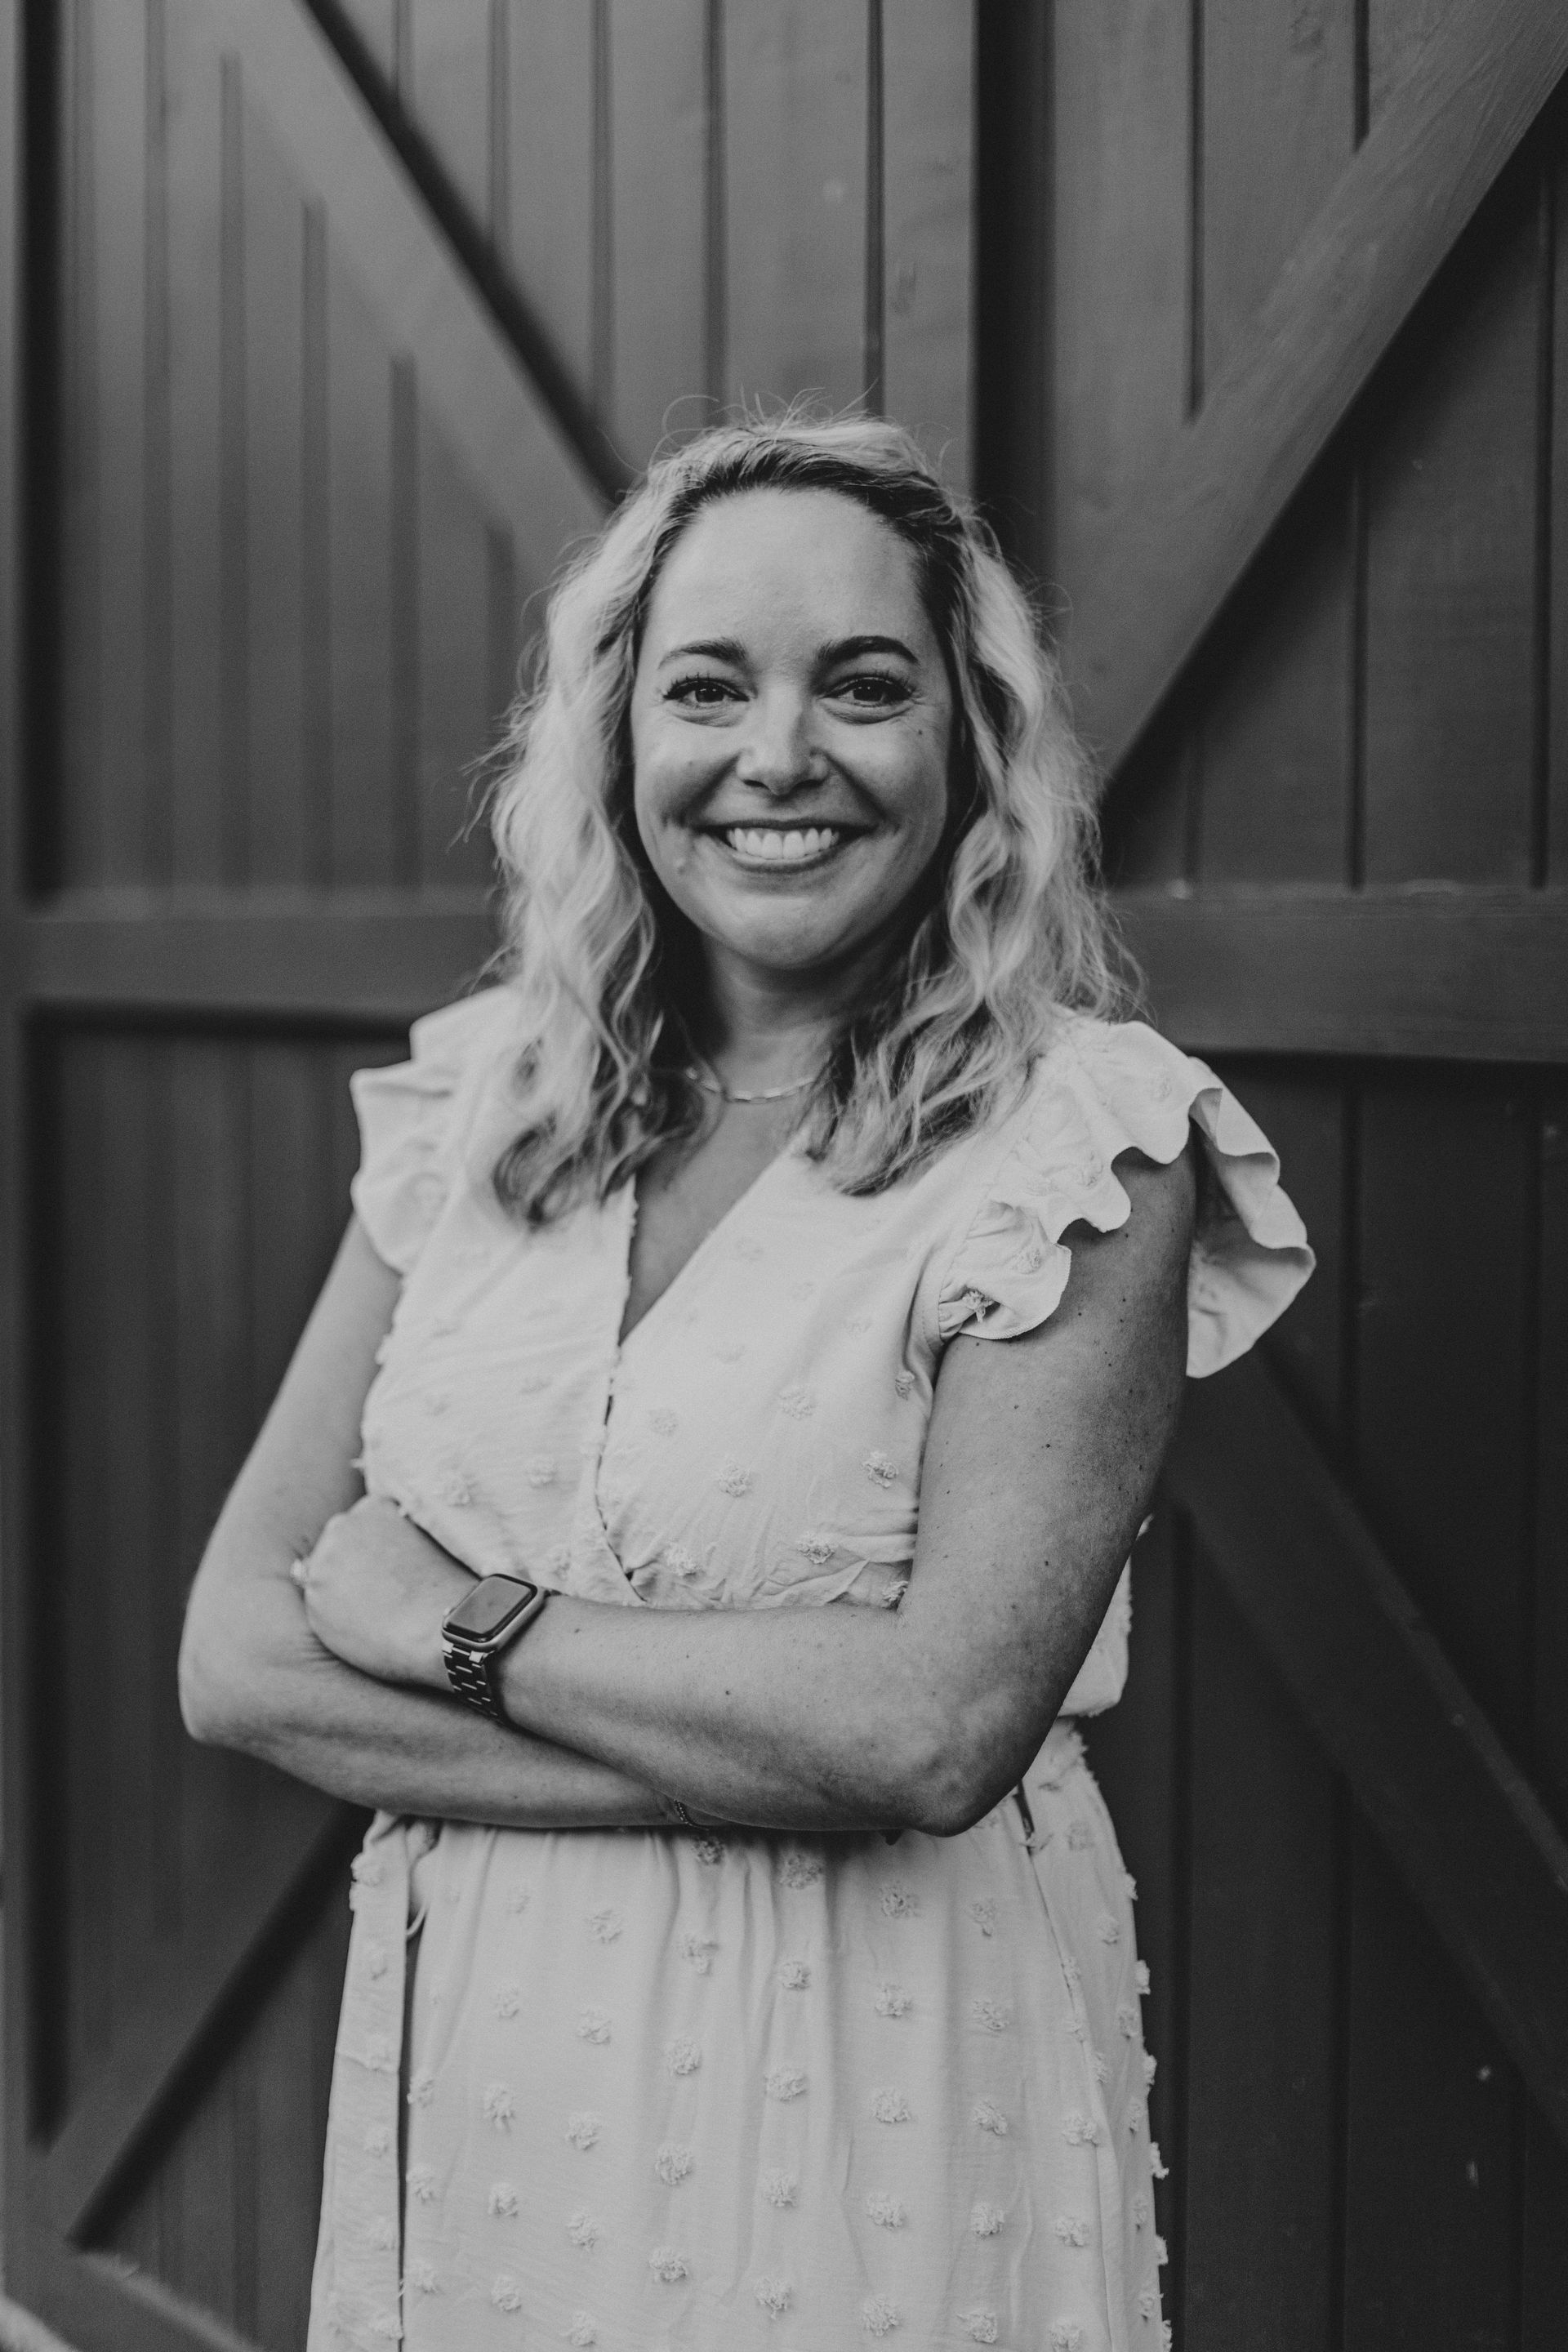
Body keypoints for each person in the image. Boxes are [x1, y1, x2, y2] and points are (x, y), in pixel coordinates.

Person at [180, 412, 1312, 2352]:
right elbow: (238, 1659)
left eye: (862, 687)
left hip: (873, 2079)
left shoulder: (1079, 1150)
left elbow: (934, 1733)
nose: (778, 756)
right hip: (487, 2078)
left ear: (964, 737)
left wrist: (455, 1625)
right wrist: (765, 1753)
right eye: (709, 687)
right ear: (619, 734)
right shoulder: (483, 1101)